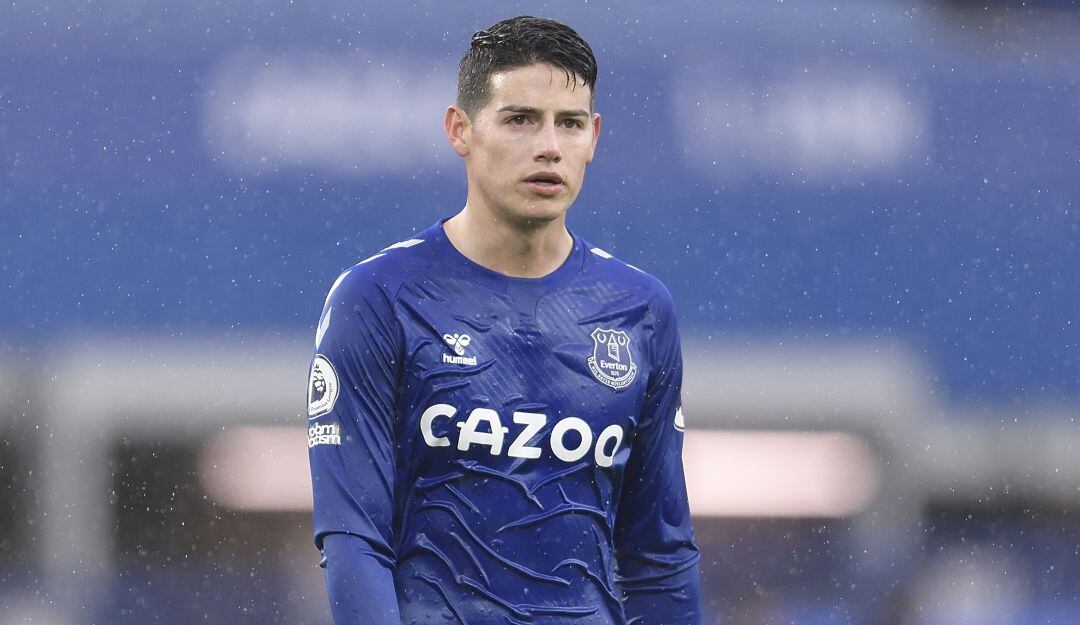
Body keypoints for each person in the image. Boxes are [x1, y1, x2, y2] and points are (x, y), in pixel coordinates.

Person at [306, 15, 701, 625]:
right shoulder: (379, 298)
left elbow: (659, 555)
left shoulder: (641, 310)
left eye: (569, 124)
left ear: (593, 137)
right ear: (459, 129)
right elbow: (354, 538)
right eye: (520, 119)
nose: (549, 146)